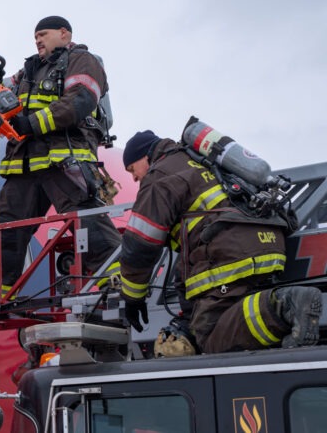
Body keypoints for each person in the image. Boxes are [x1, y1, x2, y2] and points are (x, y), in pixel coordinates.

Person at [119, 129, 322, 354]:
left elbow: (139, 245)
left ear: (145, 156)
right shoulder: (199, 160)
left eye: (132, 169)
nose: (134, 178)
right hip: (267, 243)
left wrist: (133, 297)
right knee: (230, 313)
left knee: (209, 335)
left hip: (232, 257)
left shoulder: (160, 176)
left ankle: (283, 306)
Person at [0, 15, 121, 299]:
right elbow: (2, 101)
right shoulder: (29, 69)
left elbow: (79, 100)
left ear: (64, 34)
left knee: (86, 220)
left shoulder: (82, 60)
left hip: (64, 158)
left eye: (43, 34)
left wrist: (30, 124)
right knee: (6, 225)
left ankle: (120, 283)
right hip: (24, 163)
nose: (37, 40)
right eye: (35, 37)